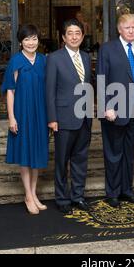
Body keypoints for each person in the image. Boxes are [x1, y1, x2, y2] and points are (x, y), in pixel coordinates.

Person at [97, 14, 134, 208]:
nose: (131, 31)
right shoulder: (108, 49)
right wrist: (106, 106)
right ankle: (112, 192)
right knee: (113, 153)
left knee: (129, 153)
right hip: (115, 110)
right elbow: (101, 78)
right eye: (127, 27)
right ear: (120, 29)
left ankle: (126, 190)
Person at [46, 19, 93, 214]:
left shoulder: (86, 57)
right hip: (63, 117)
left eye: (77, 33)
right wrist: (52, 118)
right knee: (61, 160)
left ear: (82, 36)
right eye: (70, 33)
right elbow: (49, 91)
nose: (74, 36)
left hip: (84, 117)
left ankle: (78, 196)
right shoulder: (54, 58)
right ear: (64, 37)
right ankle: (62, 198)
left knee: (80, 159)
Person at [1, 24, 49, 215]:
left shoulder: (43, 61)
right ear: (21, 42)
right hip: (22, 112)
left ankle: (34, 193)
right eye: (27, 39)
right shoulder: (16, 61)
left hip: (40, 112)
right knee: (25, 153)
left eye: (34, 38)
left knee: (36, 153)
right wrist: (12, 117)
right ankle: (28, 195)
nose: (31, 42)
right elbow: (10, 91)